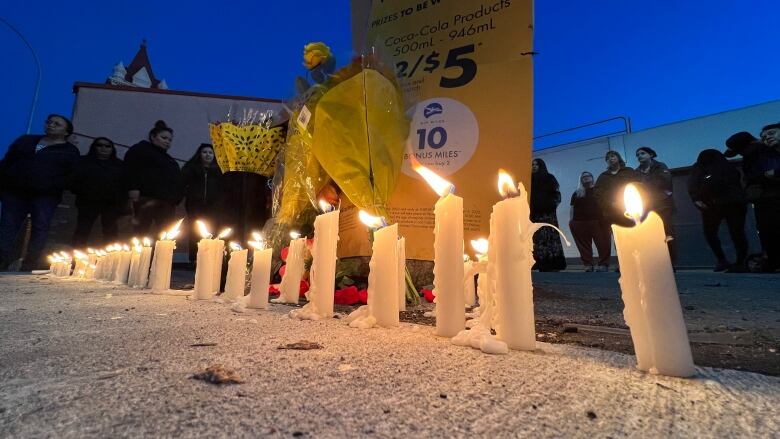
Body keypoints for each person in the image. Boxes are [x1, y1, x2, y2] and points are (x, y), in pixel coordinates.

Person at [0, 114, 80, 270]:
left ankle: (29, 263)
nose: (51, 125)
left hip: (45, 195)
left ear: (66, 132)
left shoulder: (69, 151)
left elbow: (72, 175)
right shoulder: (26, 141)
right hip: (15, 192)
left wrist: (53, 185)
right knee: (8, 226)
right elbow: (7, 162)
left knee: (40, 227)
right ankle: (2, 260)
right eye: (49, 122)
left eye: (57, 124)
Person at [687, 149, 748, 272]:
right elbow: (694, 184)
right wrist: (696, 198)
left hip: (722, 204)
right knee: (735, 233)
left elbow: (694, 184)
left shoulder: (705, 167)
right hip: (721, 204)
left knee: (730, 233)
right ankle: (735, 261)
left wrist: (697, 198)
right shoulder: (726, 167)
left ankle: (732, 261)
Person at [123, 120, 183, 235]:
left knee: (166, 234)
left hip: (167, 202)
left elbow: (177, 179)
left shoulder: (169, 160)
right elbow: (130, 170)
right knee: (141, 231)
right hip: (146, 198)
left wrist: (176, 199)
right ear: (153, 137)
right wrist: (133, 188)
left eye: (170, 140)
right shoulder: (140, 149)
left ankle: (161, 253)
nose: (167, 142)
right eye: (164, 138)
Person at [70, 137, 125, 247]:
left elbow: (125, 184)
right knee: (82, 230)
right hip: (88, 201)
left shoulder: (120, 165)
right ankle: (76, 256)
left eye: (107, 146)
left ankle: (111, 258)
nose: (103, 148)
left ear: (112, 149)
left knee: (111, 232)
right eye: (99, 145)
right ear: (94, 147)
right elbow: (73, 180)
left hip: (111, 203)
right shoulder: (83, 162)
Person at [181, 143, 223, 263]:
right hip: (195, 206)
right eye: (204, 152)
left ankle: (209, 258)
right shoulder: (191, 168)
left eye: (210, 153)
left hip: (213, 207)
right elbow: (182, 183)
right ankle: (194, 258)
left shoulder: (218, 171)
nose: (208, 155)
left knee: (211, 230)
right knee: (194, 231)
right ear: (199, 154)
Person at [635, 146, 677, 265]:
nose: (639, 156)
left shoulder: (660, 166)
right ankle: (655, 263)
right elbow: (636, 188)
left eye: (642, 153)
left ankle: (671, 263)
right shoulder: (636, 172)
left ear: (651, 155)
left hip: (663, 206)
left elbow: (665, 182)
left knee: (667, 234)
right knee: (650, 236)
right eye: (637, 155)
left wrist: (645, 187)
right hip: (646, 208)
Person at [750, 123, 780, 271]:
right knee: (769, 229)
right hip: (771, 198)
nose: (767, 137)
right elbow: (758, 175)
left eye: (772, 133)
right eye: (764, 137)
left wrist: (775, 173)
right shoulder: (765, 156)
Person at [569, 171, 611, 271]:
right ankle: (588, 264)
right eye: (583, 177)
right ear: (581, 180)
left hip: (599, 221)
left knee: (603, 243)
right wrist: (571, 221)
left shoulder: (599, 190)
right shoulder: (577, 193)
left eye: (588, 176)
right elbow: (572, 207)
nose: (586, 178)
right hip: (579, 222)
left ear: (592, 178)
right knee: (583, 245)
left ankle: (603, 264)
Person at [530, 158, 566, 271]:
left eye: (537, 164)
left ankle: (553, 263)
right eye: (532, 164)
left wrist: (551, 206)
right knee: (537, 239)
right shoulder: (529, 179)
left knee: (550, 238)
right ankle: (540, 262)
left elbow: (556, 195)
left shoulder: (549, 178)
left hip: (548, 214)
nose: (534, 166)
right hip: (535, 215)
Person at [593, 150, 641, 227]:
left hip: (631, 210)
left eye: (612, 156)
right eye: (607, 158)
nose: (610, 159)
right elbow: (598, 195)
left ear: (618, 158)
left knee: (636, 233)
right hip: (612, 213)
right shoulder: (603, 176)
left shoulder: (629, 171)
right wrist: (610, 204)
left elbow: (639, 186)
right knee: (620, 237)